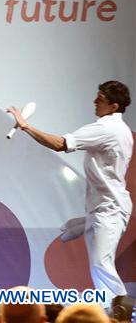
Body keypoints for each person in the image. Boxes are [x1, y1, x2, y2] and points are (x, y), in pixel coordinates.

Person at [8, 81, 132, 303]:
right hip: (105, 206)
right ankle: (114, 312)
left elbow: (60, 144)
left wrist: (25, 126)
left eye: (101, 98)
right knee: (98, 263)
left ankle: (122, 315)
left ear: (113, 106)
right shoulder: (120, 129)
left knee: (101, 265)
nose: (95, 101)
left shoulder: (106, 128)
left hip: (109, 208)